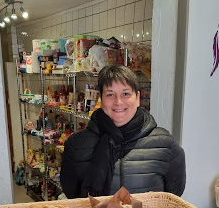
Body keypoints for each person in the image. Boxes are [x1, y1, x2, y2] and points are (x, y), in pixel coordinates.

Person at [61, 64, 185, 198]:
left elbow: (173, 195)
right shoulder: (76, 145)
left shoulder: (165, 144)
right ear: (101, 99)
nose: (118, 102)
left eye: (125, 94)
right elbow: (72, 195)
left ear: (137, 98)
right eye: (110, 94)